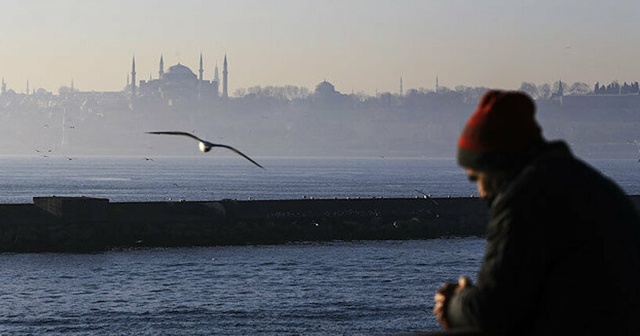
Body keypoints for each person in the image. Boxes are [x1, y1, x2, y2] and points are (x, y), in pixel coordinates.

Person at [433, 90, 640, 335]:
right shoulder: (586, 182)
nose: (479, 192)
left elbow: (492, 310)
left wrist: (455, 301)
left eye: (477, 177)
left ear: (497, 165)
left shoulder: (525, 199)